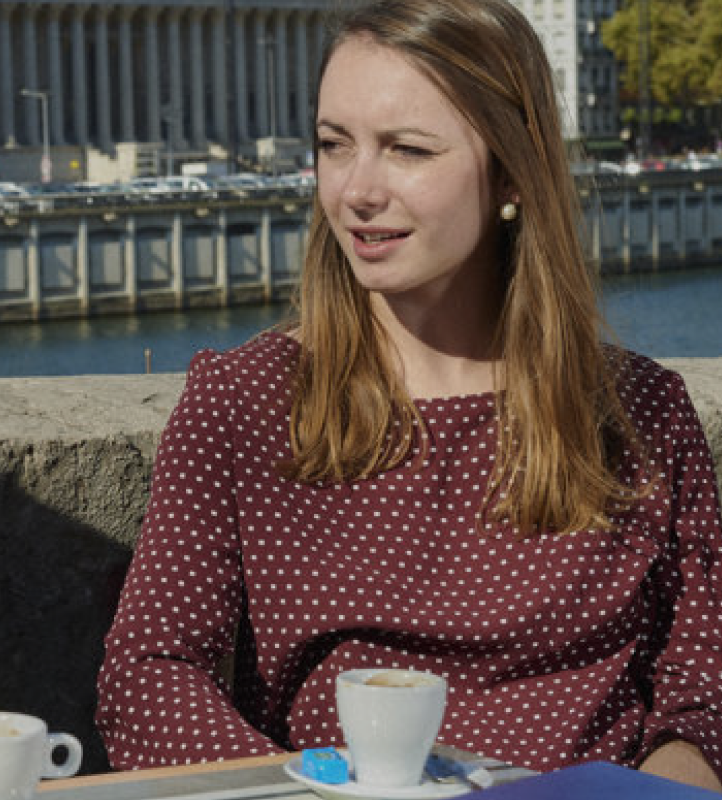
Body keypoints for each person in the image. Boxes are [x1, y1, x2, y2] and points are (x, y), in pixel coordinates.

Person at [96, 0, 722, 790]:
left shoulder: (642, 414)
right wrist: (299, 788)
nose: (357, 190)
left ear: (511, 173)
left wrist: (665, 783)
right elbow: (149, 675)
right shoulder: (245, 402)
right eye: (334, 145)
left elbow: (701, 693)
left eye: (407, 150)